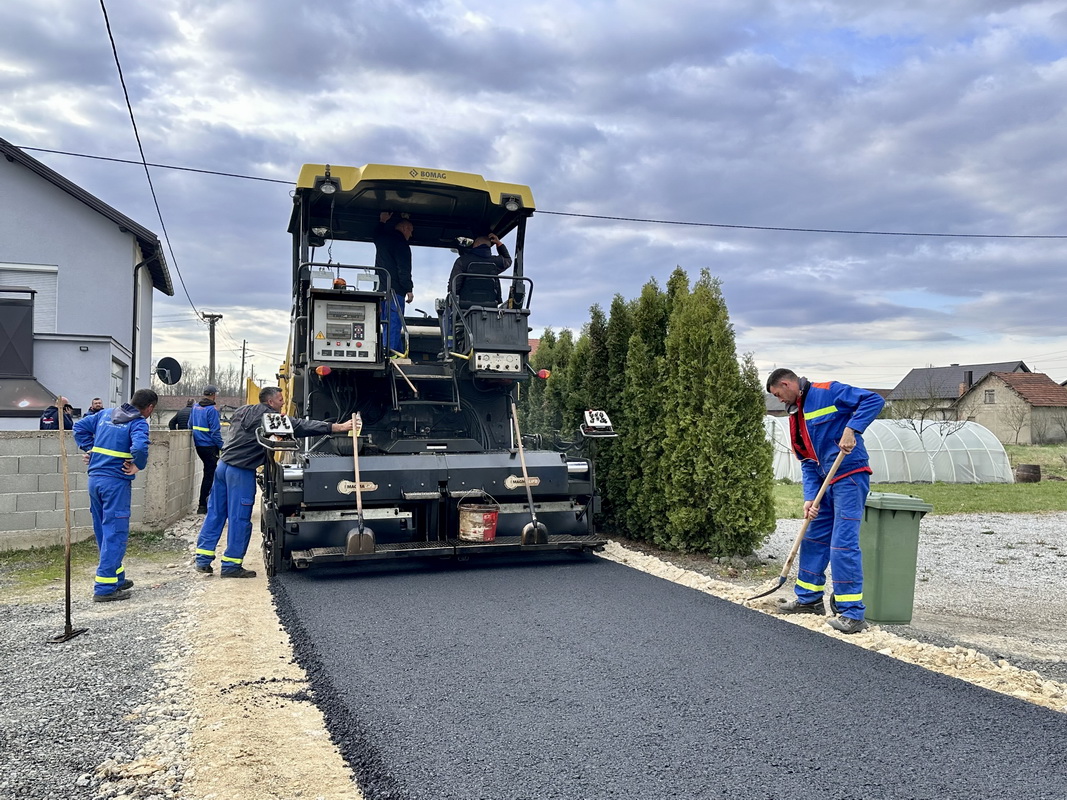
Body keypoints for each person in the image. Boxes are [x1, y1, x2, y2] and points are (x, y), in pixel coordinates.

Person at [766, 368, 885, 634]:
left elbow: (873, 400)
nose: (779, 400)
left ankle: (852, 614)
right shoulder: (795, 415)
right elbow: (807, 461)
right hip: (822, 482)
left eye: (778, 394)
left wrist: (852, 429)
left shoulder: (827, 391)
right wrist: (810, 498)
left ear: (787, 383)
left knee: (842, 544)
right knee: (813, 537)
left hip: (849, 477)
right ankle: (809, 600)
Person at [193, 386, 354, 578]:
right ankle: (231, 565)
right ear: (270, 402)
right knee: (239, 517)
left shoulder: (243, 410)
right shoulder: (269, 417)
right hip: (240, 471)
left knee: (216, 512)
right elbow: (300, 425)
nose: (283, 403)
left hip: (223, 466)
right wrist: (339, 427)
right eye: (280, 400)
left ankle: (203, 559)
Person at [73, 388, 158, 602]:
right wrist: (138, 465)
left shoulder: (105, 414)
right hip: (115, 482)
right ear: (149, 408)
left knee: (103, 529)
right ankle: (104, 587)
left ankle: (116, 577)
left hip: (95, 480)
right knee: (116, 531)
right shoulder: (138, 422)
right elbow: (139, 447)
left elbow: (78, 427)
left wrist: (91, 450)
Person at [373, 211, 414, 356]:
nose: (411, 235)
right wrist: (408, 288)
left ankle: (397, 352)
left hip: (380, 290)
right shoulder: (402, 244)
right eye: (410, 231)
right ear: (404, 229)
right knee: (394, 323)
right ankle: (389, 352)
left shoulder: (383, 239)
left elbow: (376, 235)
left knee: (386, 322)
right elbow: (403, 268)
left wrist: (382, 220)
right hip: (395, 291)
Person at [448, 232, 512, 308]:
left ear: (476, 245)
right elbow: (508, 260)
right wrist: (498, 243)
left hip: (464, 306)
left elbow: (454, 286)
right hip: (491, 305)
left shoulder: (462, 261)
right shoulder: (496, 261)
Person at [189, 386, 224, 514]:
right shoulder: (212, 410)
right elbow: (215, 432)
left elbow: (190, 424)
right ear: (214, 395)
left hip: (199, 446)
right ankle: (203, 505)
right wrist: (222, 446)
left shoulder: (195, 407)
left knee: (208, 474)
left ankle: (204, 504)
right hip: (210, 446)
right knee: (210, 475)